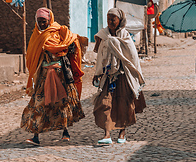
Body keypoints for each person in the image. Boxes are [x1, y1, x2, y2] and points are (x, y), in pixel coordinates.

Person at [21, 8, 85, 145]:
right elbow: (32, 56)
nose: (41, 24)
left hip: (61, 75)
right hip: (43, 76)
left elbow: (71, 42)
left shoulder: (59, 31)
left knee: (63, 103)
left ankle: (65, 132)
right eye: (39, 22)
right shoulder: (36, 35)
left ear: (49, 20)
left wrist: (69, 46)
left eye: (44, 21)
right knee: (39, 104)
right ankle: (36, 136)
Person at [92, 8, 146, 144]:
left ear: (119, 20)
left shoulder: (125, 36)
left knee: (124, 103)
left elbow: (132, 57)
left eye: (113, 19)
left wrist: (136, 76)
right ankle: (107, 134)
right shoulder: (103, 35)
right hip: (107, 75)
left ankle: (122, 133)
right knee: (104, 103)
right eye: (108, 18)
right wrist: (97, 73)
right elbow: (100, 56)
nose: (110, 21)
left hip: (123, 75)